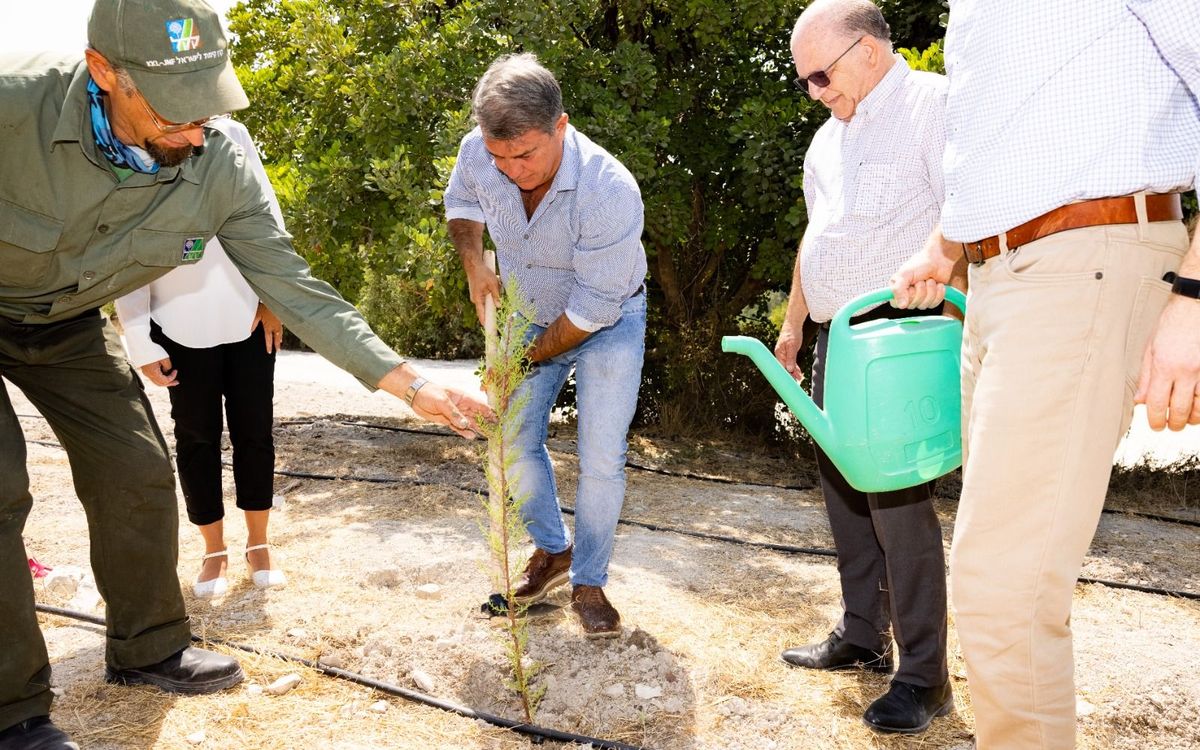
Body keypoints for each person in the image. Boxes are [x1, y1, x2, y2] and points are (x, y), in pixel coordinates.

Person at [0, 1, 490, 746]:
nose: (197, 131)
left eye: (210, 105)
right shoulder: (13, 107)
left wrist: (411, 385)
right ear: (105, 73)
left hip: (66, 324)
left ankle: (149, 648)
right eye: (177, 109)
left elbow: (296, 289)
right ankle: (14, 712)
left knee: (135, 468)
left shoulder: (218, 160)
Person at [888, 1, 1200, 747]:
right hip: (995, 277)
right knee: (997, 575)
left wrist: (1192, 299)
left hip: (1086, 257)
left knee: (1005, 589)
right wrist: (947, 243)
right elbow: (1009, 134)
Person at [773, 0, 956, 735]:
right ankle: (859, 635)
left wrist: (950, 327)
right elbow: (817, 236)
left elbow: (968, 216)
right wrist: (792, 327)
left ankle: (924, 675)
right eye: (806, 80)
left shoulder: (935, 107)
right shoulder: (827, 140)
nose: (814, 90)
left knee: (899, 508)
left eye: (821, 74)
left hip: (903, 337)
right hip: (835, 339)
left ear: (870, 51)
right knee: (844, 491)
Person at [445, 53, 648, 639]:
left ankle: (589, 579)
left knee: (602, 457)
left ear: (560, 125)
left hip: (607, 318)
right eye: (498, 156)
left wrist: (519, 359)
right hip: (525, 308)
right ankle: (552, 552)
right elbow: (462, 204)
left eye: (525, 155)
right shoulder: (480, 151)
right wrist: (473, 265)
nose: (511, 170)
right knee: (509, 441)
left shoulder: (608, 189)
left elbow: (587, 313)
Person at [115, 118, 290, 600]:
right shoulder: (133, 136)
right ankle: (213, 549)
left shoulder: (229, 132)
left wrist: (276, 297)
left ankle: (259, 543)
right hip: (176, 325)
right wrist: (140, 339)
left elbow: (267, 210)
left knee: (256, 431)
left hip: (248, 317)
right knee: (196, 440)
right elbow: (126, 248)